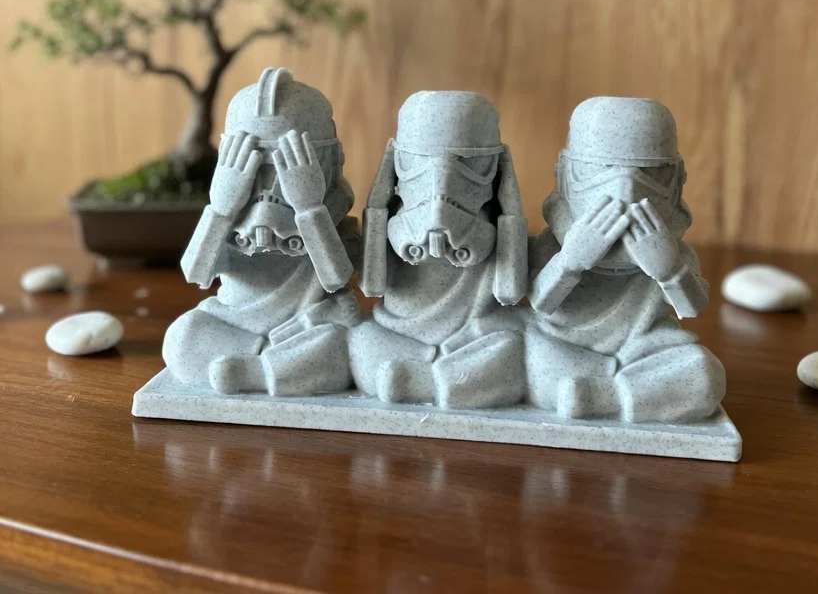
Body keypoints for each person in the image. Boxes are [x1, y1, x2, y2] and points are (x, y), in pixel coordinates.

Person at [527, 97, 726, 423]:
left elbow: (691, 308)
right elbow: (539, 303)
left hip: (642, 352)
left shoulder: (674, 251)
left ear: (676, 180)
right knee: (533, 357)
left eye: (649, 173)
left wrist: (669, 269)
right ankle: (610, 392)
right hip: (567, 348)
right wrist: (571, 260)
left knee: (704, 373)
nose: (626, 190)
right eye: (600, 170)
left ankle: (604, 397)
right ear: (564, 174)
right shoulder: (553, 244)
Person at [162, 68, 360, 396]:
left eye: (284, 166)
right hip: (236, 325)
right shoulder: (230, 218)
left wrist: (309, 208)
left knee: (342, 343)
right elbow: (195, 272)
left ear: (327, 163)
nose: (269, 185)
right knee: (183, 338)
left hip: (307, 328)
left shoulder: (332, 221)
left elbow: (337, 279)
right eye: (256, 169)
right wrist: (222, 208)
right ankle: (268, 364)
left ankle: (252, 372)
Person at [351, 91, 529, 408]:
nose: (442, 179)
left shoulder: (495, 224)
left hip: (470, 339)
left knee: (514, 342)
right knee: (362, 338)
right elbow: (371, 286)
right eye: (420, 162)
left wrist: (511, 213)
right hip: (401, 335)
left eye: (468, 163)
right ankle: (447, 381)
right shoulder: (394, 221)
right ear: (397, 161)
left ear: (495, 165)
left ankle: (418, 380)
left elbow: (510, 294)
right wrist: (377, 205)